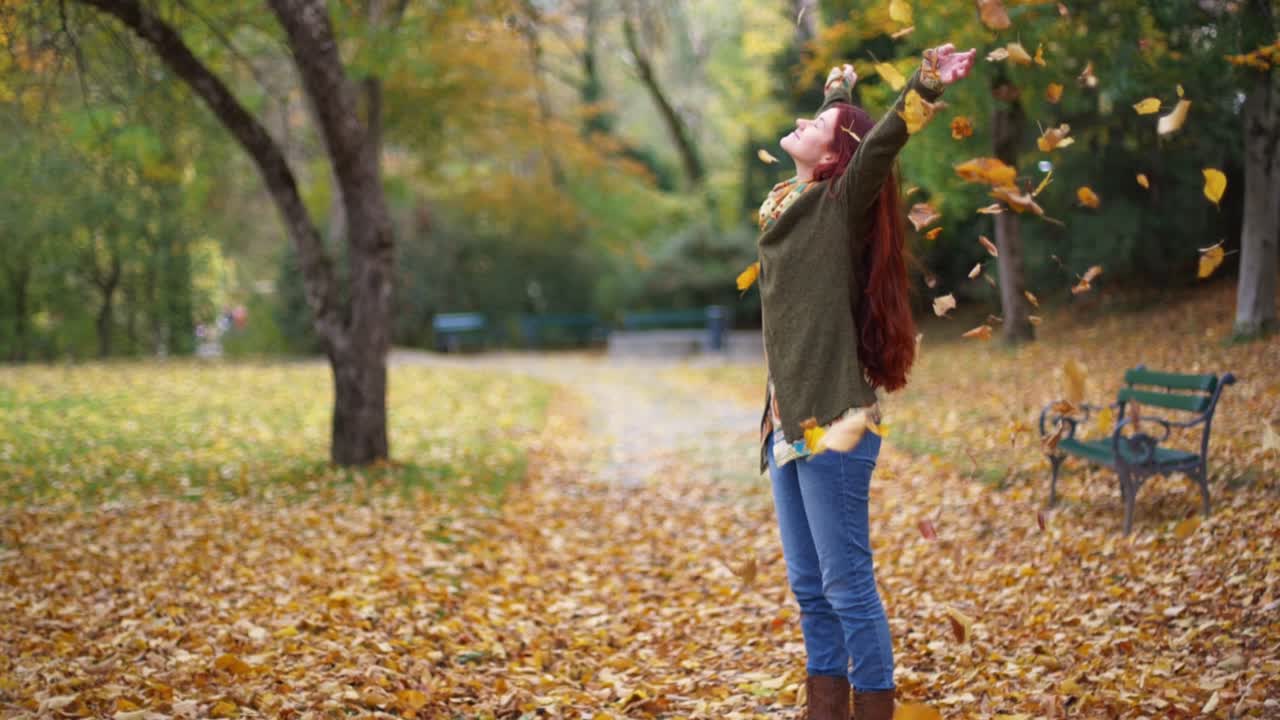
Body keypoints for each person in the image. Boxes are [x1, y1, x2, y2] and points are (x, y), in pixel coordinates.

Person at [755, 44, 975, 720]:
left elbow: (878, 141)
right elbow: (842, 123)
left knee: (848, 589)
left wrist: (925, 83)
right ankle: (827, 710)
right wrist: (838, 84)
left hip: (834, 425)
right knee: (810, 590)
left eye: (820, 122)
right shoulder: (788, 202)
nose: (806, 121)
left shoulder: (838, 204)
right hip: (787, 427)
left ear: (834, 155)